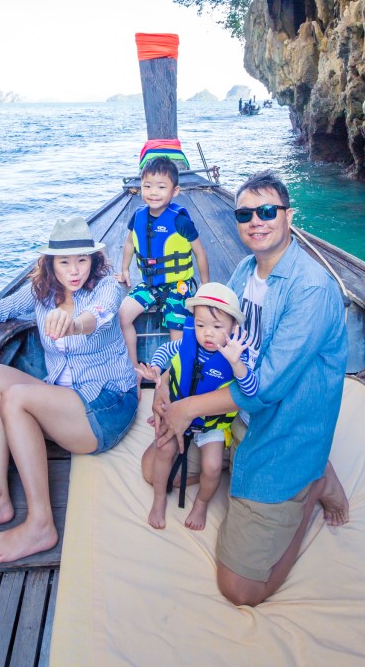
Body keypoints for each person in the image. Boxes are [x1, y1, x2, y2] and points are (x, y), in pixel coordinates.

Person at [154, 169, 349, 607]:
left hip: (279, 431)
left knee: (240, 590)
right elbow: (205, 331)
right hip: (232, 419)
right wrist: (167, 378)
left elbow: (268, 388)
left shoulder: (311, 289)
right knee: (154, 471)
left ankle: (314, 484)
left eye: (266, 211)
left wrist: (189, 409)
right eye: (245, 214)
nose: (255, 221)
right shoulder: (244, 272)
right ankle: (243, 460)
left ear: (288, 216)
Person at [0, 216, 137, 564]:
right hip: (66, 402)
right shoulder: (42, 294)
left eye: (82, 260)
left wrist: (72, 325)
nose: (74, 271)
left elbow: (98, 316)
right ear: (50, 264)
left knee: (17, 398)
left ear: (94, 260)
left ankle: (41, 524)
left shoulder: (106, 287)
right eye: (65, 262)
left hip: (107, 405)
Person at [139, 282, 258, 531]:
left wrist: (237, 364)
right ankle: (160, 498)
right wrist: (157, 369)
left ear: (233, 328)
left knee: (213, 466)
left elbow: (249, 390)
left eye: (217, 327)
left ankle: (202, 503)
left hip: (211, 423)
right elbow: (165, 349)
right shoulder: (188, 344)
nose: (208, 334)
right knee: (163, 449)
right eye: (201, 325)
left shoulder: (236, 355)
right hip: (179, 413)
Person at [116, 156, 210, 372]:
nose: (153, 192)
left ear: (174, 191)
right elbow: (129, 243)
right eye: (147, 186)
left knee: (177, 329)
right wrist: (124, 270)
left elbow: (200, 252)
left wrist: (205, 286)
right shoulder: (138, 216)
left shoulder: (180, 221)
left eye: (161, 187)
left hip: (178, 285)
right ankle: (134, 368)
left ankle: (173, 374)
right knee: (123, 314)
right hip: (150, 284)